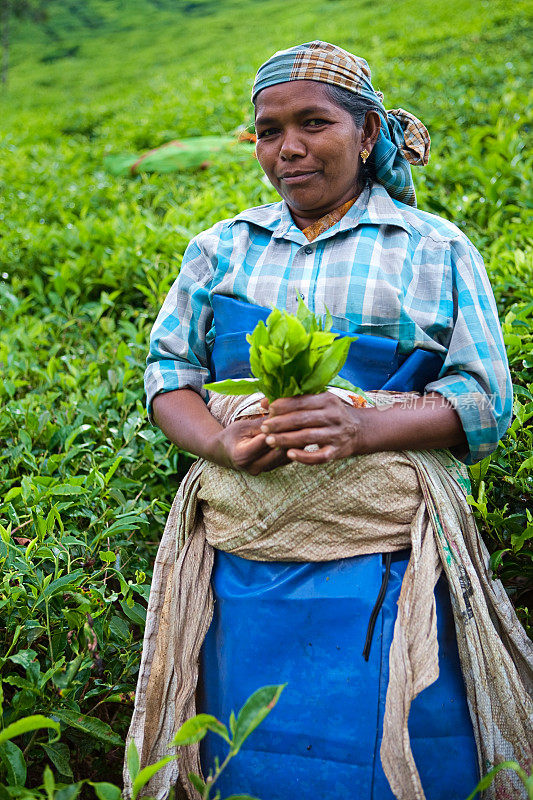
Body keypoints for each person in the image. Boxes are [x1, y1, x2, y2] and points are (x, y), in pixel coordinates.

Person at [125, 42, 532, 800]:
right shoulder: (219, 250)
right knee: (247, 748)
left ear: (368, 132)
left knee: (394, 740)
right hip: (241, 561)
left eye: (314, 123)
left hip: (382, 556)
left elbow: (482, 398)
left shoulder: (430, 247)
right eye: (269, 130)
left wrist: (363, 428)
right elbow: (167, 378)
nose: (290, 149)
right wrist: (220, 441)